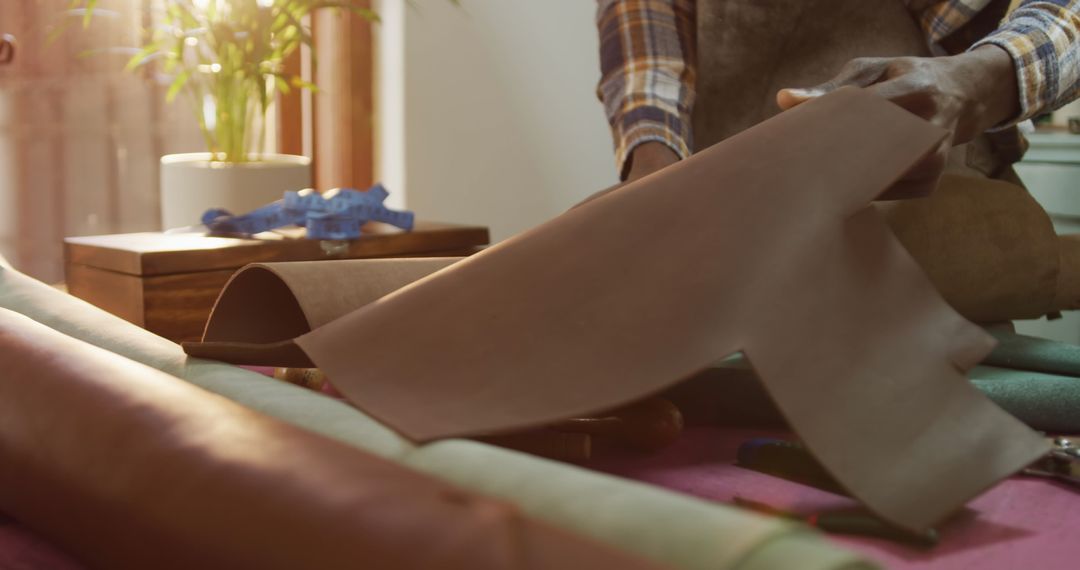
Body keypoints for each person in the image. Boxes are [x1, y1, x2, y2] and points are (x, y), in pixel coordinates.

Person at [595, 0, 1079, 190]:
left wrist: (974, 86)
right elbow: (648, 75)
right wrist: (651, 196)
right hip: (735, 274)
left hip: (937, 254)